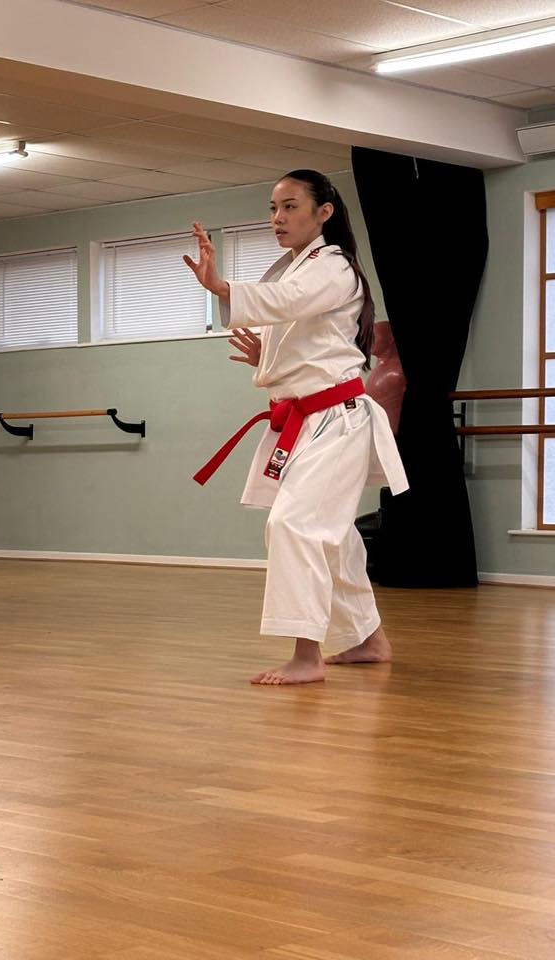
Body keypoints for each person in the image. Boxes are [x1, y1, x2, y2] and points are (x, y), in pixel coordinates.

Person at [184, 170, 408, 685]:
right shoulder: (297, 268)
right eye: (273, 208)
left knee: (293, 525)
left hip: (337, 421)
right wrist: (269, 357)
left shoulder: (333, 266)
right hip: (310, 420)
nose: (277, 218)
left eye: (289, 207)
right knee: (336, 536)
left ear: (323, 212)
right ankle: (368, 639)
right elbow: (310, 336)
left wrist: (220, 286)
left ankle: (307, 656)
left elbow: (287, 304)